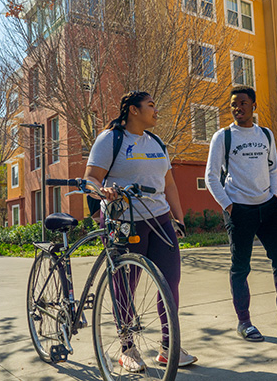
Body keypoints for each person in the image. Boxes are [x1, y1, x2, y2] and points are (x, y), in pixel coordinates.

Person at [84, 91, 197, 372]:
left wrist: (179, 218)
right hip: (125, 221)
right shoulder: (111, 139)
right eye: (151, 105)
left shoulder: (157, 142)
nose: (156, 110)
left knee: (169, 283)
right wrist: (103, 191)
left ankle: (169, 347)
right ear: (133, 110)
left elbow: (168, 183)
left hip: (159, 219)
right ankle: (127, 349)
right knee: (125, 286)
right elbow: (90, 178)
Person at [204, 85, 277, 342]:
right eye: (234, 104)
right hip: (239, 209)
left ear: (253, 106)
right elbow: (211, 176)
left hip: (268, 207)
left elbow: (274, 167)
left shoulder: (266, 134)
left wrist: (273, 195)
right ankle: (244, 322)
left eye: (243, 103)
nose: (237, 108)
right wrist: (229, 205)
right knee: (240, 267)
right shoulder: (223, 137)